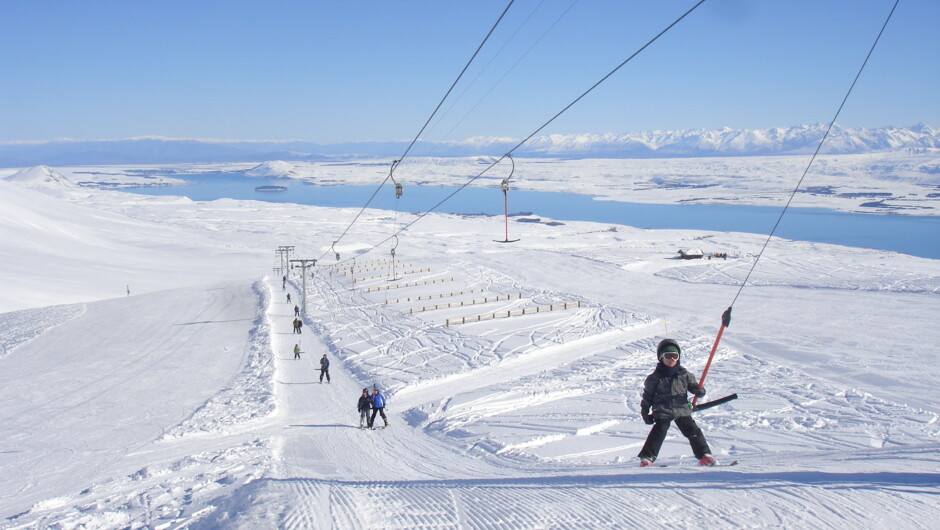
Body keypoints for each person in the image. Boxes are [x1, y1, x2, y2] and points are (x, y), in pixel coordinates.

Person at [637, 339, 715, 467]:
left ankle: (704, 455)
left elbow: (694, 387)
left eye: (675, 356)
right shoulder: (654, 378)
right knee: (659, 432)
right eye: (668, 356)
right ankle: (647, 458)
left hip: (681, 409)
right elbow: (647, 397)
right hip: (663, 411)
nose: (672, 359)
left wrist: (699, 391)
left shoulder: (684, 375)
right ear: (661, 358)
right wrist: (645, 412)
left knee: (693, 431)